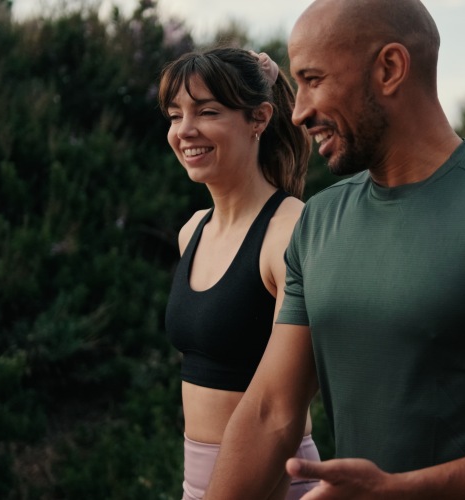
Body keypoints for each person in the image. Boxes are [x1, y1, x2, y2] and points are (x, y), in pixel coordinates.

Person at [204, 0, 465, 498]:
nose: (298, 112)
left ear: (390, 68)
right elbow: (272, 410)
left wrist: (409, 490)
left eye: (313, 80)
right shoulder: (319, 220)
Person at [160, 47, 320, 500]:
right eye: (175, 115)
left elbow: (280, 410)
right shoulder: (192, 231)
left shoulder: (289, 233)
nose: (184, 130)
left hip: (274, 484)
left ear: (259, 119)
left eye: (207, 111)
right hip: (200, 486)